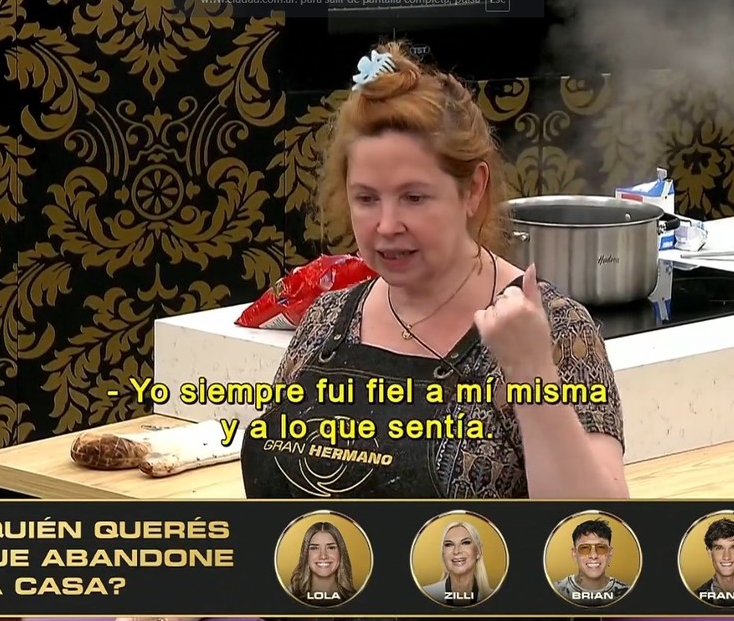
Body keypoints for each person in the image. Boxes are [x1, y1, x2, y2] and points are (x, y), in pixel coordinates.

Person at [238, 40, 628, 502]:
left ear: (473, 189)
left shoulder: (555, 330)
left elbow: (597, 528)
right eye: (366, 198)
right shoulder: (326, 321)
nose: (386, 225)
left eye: (414, 197)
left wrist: (531, 372)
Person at [551, 518, 632, 606]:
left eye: (601, 548)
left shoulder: (627, 594)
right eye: (584, 548)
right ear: (574, 554)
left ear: (610, 553)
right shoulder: (555, 591)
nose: (593, 556)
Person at [420, 521, 493, 606]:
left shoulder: (493, 597)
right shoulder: (425, 594)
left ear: (479, 551)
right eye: (449, 544)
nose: (456, 551)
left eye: (465, 543)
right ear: (443, 553)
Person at [286, 521, 358, 605]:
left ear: (341, 553)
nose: (323, 556)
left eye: (331, 547)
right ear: (305, 554)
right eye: (314, 548)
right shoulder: (288, 595)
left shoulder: (357, 599)